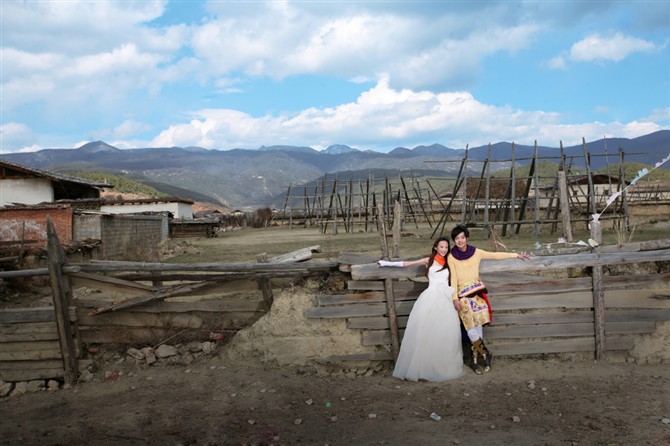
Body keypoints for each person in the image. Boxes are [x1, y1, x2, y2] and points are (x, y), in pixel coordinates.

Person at [377, 237, 465, 381]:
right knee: (425, 330)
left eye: (446, 247)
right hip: (430, 298)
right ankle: (424, 366)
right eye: (441, 247)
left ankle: (443, 365)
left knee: (444, 331)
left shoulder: (450, 261)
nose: (444, 250)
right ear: (435, 247)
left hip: (445, 300)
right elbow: (406, 264)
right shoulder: (428, 260)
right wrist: (386, 263)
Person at [447, 225, 531, 375]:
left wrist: (516, 255)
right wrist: (454, 299)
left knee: (478, 325)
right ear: (454, 240)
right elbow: (453, 279)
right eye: (456, 238)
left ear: (466, 238)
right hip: (463, 296)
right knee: (470, 327)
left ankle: (474, 359)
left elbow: (495, 255)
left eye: (462, 237)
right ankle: (485, 354)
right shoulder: (451, 256)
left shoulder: (476, 252)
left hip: (478, 293)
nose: (459, 241)